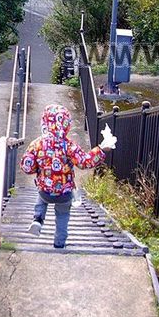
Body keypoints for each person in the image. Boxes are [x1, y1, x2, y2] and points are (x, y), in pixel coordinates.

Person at [20, 104, 117, 248]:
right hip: (64, 193)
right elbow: (85, 162)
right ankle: (59, 243)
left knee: (41, 196)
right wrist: (101, 150)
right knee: (63, 215)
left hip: (45, 191)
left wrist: (38, 168)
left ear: (44, 123)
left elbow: (26, 167)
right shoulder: (69, 146)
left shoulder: (37, 144)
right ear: (66, 125)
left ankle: (38, 219)